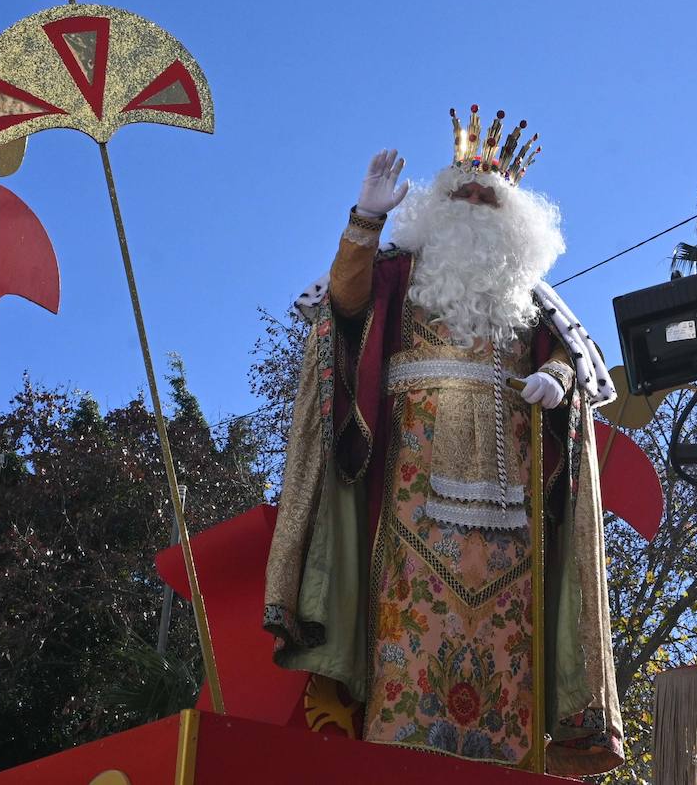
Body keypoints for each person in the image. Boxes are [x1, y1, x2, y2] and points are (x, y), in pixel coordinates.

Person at [264, 107, 623, 775]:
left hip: (512, 521)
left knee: (507, 654)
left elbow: (571, 360)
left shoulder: (535, 305)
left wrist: (553, 377)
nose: (475, 205)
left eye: (490, 199)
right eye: (463, 193)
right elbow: (344, 308)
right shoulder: (401, 274)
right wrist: (364, 221)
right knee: (409, 640)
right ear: (436, 206)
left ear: (517, 221)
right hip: (410, 513)